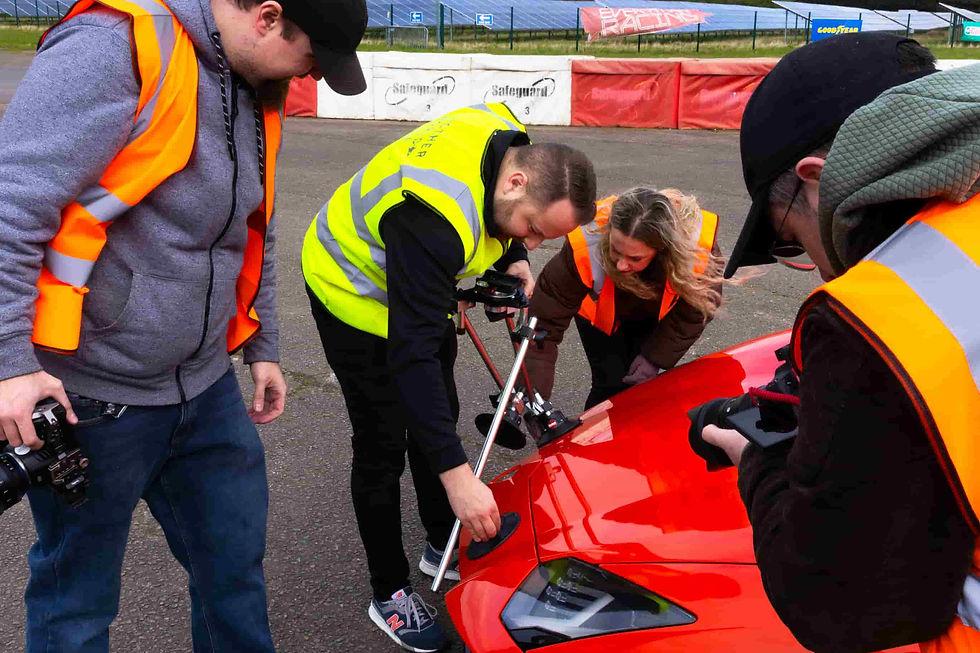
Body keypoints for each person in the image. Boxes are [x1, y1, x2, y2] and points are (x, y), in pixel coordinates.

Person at [0, 0, 367, 650]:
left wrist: (263, 343)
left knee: (234, 572)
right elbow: (11, 203)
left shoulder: (254, 81)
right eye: (310, 56)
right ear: (268, 17)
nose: (307, 74)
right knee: (75, 601)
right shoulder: (114, 47)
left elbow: (255, 219)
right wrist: (10, 364)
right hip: (93, 395)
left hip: (206, 390)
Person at [705, 33, 979, 652]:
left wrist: (755, 456)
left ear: (816, 182)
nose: (822, 269)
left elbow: (843, 603)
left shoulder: (879, 317)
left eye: (792, 238)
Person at [301, 102, 596, 652]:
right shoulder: (432, 221)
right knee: (383, 440)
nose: (532, 243)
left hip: (417, 287)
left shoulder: (508, 141)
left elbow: (429, 368)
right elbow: (409, 358)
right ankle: (388, 591)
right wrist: (460, 479)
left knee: (441, 409)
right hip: (351, 291)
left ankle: (441, 541)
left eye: (540, 238)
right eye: (532, 230)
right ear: (514, 181)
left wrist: (512, 256)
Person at [525, 187, 724, 410]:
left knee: (641, 391)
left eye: (635, 258)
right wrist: (536, 400)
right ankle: (593, 441)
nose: (620, 265)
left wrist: (655, 356)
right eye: (615, 250)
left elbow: (695, 311)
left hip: (658, 313)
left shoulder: (695, 251)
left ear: (662, 250)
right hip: (600, 311)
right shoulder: (587, 242)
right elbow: (543, 324)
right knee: (610, 384)